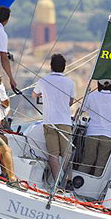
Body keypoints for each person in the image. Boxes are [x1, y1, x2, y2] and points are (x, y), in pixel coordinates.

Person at [32, 54, 74, 188]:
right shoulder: (70, 82)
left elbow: (34, 94)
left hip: (49, 122)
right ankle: (69, 181)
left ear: (51, 66)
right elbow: (71, 101)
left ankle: (57, 182)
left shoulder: (43, 81)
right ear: (64, 67)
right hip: (65, 122)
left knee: (53, 154)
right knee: (67, 153)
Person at [77, 80, 111, 177]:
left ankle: (78, 181)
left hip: (92, 133)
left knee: (87, 161)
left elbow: (81, 111)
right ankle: (93, 186)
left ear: (99, 85)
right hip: (108, 136)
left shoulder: (91, 96)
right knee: (101, 163)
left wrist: (74, 118)